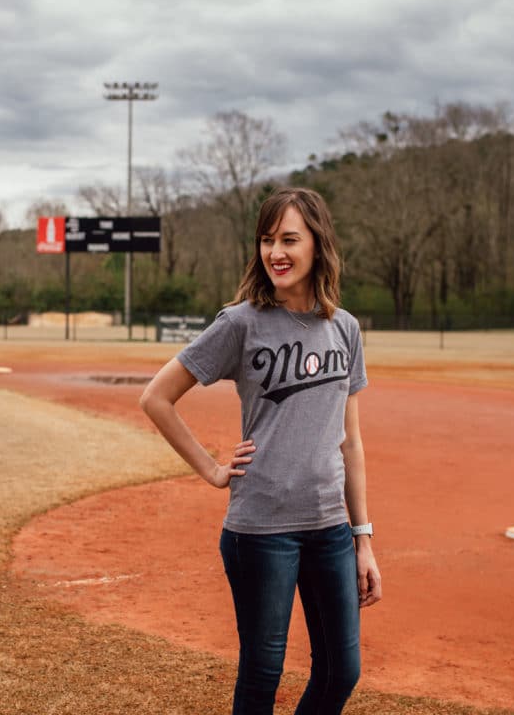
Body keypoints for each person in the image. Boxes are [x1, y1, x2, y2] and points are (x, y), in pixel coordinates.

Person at [139, 186, 382, 714]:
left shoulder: (344, 329)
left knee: (342, 669)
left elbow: (351, 440)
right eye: (267, 240)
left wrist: (362, 537)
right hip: (261, 530)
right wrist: (211, 468)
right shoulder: (240, 323)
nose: (277, 251)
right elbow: (156, 397)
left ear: (318, 245)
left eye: (290, 239)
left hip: (330, 528)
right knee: (263, 673)